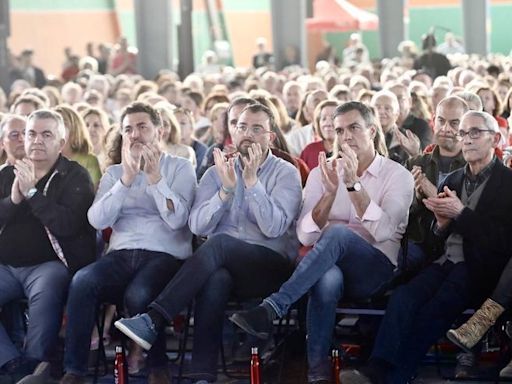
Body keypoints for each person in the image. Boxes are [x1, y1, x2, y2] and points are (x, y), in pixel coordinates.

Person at [114, 103, 302, 383]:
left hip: (270, 267)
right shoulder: (217, 172)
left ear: (270, 137)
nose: (247, 133)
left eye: (256, 128)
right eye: (240, 127)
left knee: (219, 244)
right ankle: (203, 375)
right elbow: (197, 225)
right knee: (216, 278)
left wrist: (251, 183)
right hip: (227, 267)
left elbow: (274, 228)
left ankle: (154, 319)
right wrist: (225, 191)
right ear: (232, 133)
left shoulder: (286, 172)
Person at [230, 102, 414, 384]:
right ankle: (318, 374)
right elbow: (304, 235)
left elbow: (383, 231)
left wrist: (353, 185)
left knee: (338, 234)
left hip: (375, 270)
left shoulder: (396, 175)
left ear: (373, 131)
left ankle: (274, 306)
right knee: (326, 276)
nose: (346, 137)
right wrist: (328, 197)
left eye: (354, 128)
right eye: (339, 130)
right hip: (328, 270)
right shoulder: (322, 172)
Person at [341, 110, 512, 384]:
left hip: (481, 268)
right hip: (445, 261)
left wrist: (461, 214)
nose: (466, 139)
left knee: (436, 308)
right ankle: (377, 366)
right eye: (464, 133)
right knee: (403, 297)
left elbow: (504, 242)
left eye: (475, 132)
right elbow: (438, 237)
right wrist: (442, 224)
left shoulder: (507, 183)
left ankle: (395, 376)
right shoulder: (454, 180)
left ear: (496, 139)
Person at [59, 102, 197, 384]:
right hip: (121, 254)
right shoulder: (114, 174)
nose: (134, 135)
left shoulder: (180, 167)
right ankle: (74, 370)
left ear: (159, 131)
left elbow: (178, 221)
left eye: (142, 127)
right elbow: (97, 220)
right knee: (82, 282)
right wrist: (126, 180)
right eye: (128, 129)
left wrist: (155, 179)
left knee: (139, 294)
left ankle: (158, 367)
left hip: (166, 253)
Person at [0, 109, 95, 383]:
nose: (37, 140)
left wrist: (32, 193)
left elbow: (68, 225)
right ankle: (14, 364)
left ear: (61, 143)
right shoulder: (7, 173)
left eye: (46, 134)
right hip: (5, 265)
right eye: (31, 133)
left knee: (48, 288)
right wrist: (14, 199)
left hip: (49, 265)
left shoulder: (74, 175)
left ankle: (35, 362)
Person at [405, 96, 468, 273]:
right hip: (417, 244)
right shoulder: (415, 163)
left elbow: (471, 219)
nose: (446, 129)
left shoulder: (473, 167)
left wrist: (433, 194)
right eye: (441, 121)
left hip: (458, 253)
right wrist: (417, 198)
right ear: (433, 121)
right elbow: (397, 215)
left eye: (454, 123)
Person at [300, 100, 338, 170]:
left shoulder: (352, 150)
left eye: (333, 118)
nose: (328, 123)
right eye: (323, 119)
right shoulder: (309, 151)